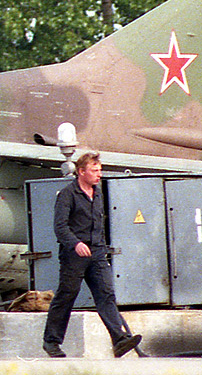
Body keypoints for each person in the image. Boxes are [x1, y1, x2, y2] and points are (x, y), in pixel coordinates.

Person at [42, 152, 142, 358]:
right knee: (67, 295)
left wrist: (102, 247)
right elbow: (60, 227)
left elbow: (99, 225)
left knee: (106, 295)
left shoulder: (97, 194)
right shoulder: (67, 195)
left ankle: (119, 340)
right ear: (81, 172)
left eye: (100, 170)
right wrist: (75, 243)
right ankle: (51, 342)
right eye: (94, 171)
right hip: (74, 255)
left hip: (96, 253)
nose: (99, 175)